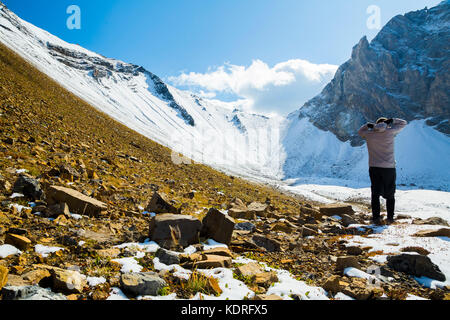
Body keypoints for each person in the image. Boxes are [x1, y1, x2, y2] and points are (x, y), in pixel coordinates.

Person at [358, 117, 408, 225]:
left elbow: (360, 131)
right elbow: (403, 123)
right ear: (386, 124)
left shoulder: (369, 134)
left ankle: (376, 218)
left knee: (375, 193)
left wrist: (368, 125)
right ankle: (390, 218)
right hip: (389, 168)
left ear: (376, 124)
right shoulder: (390, 131)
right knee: (390, 193)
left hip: (374, 167)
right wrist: (391, 120)